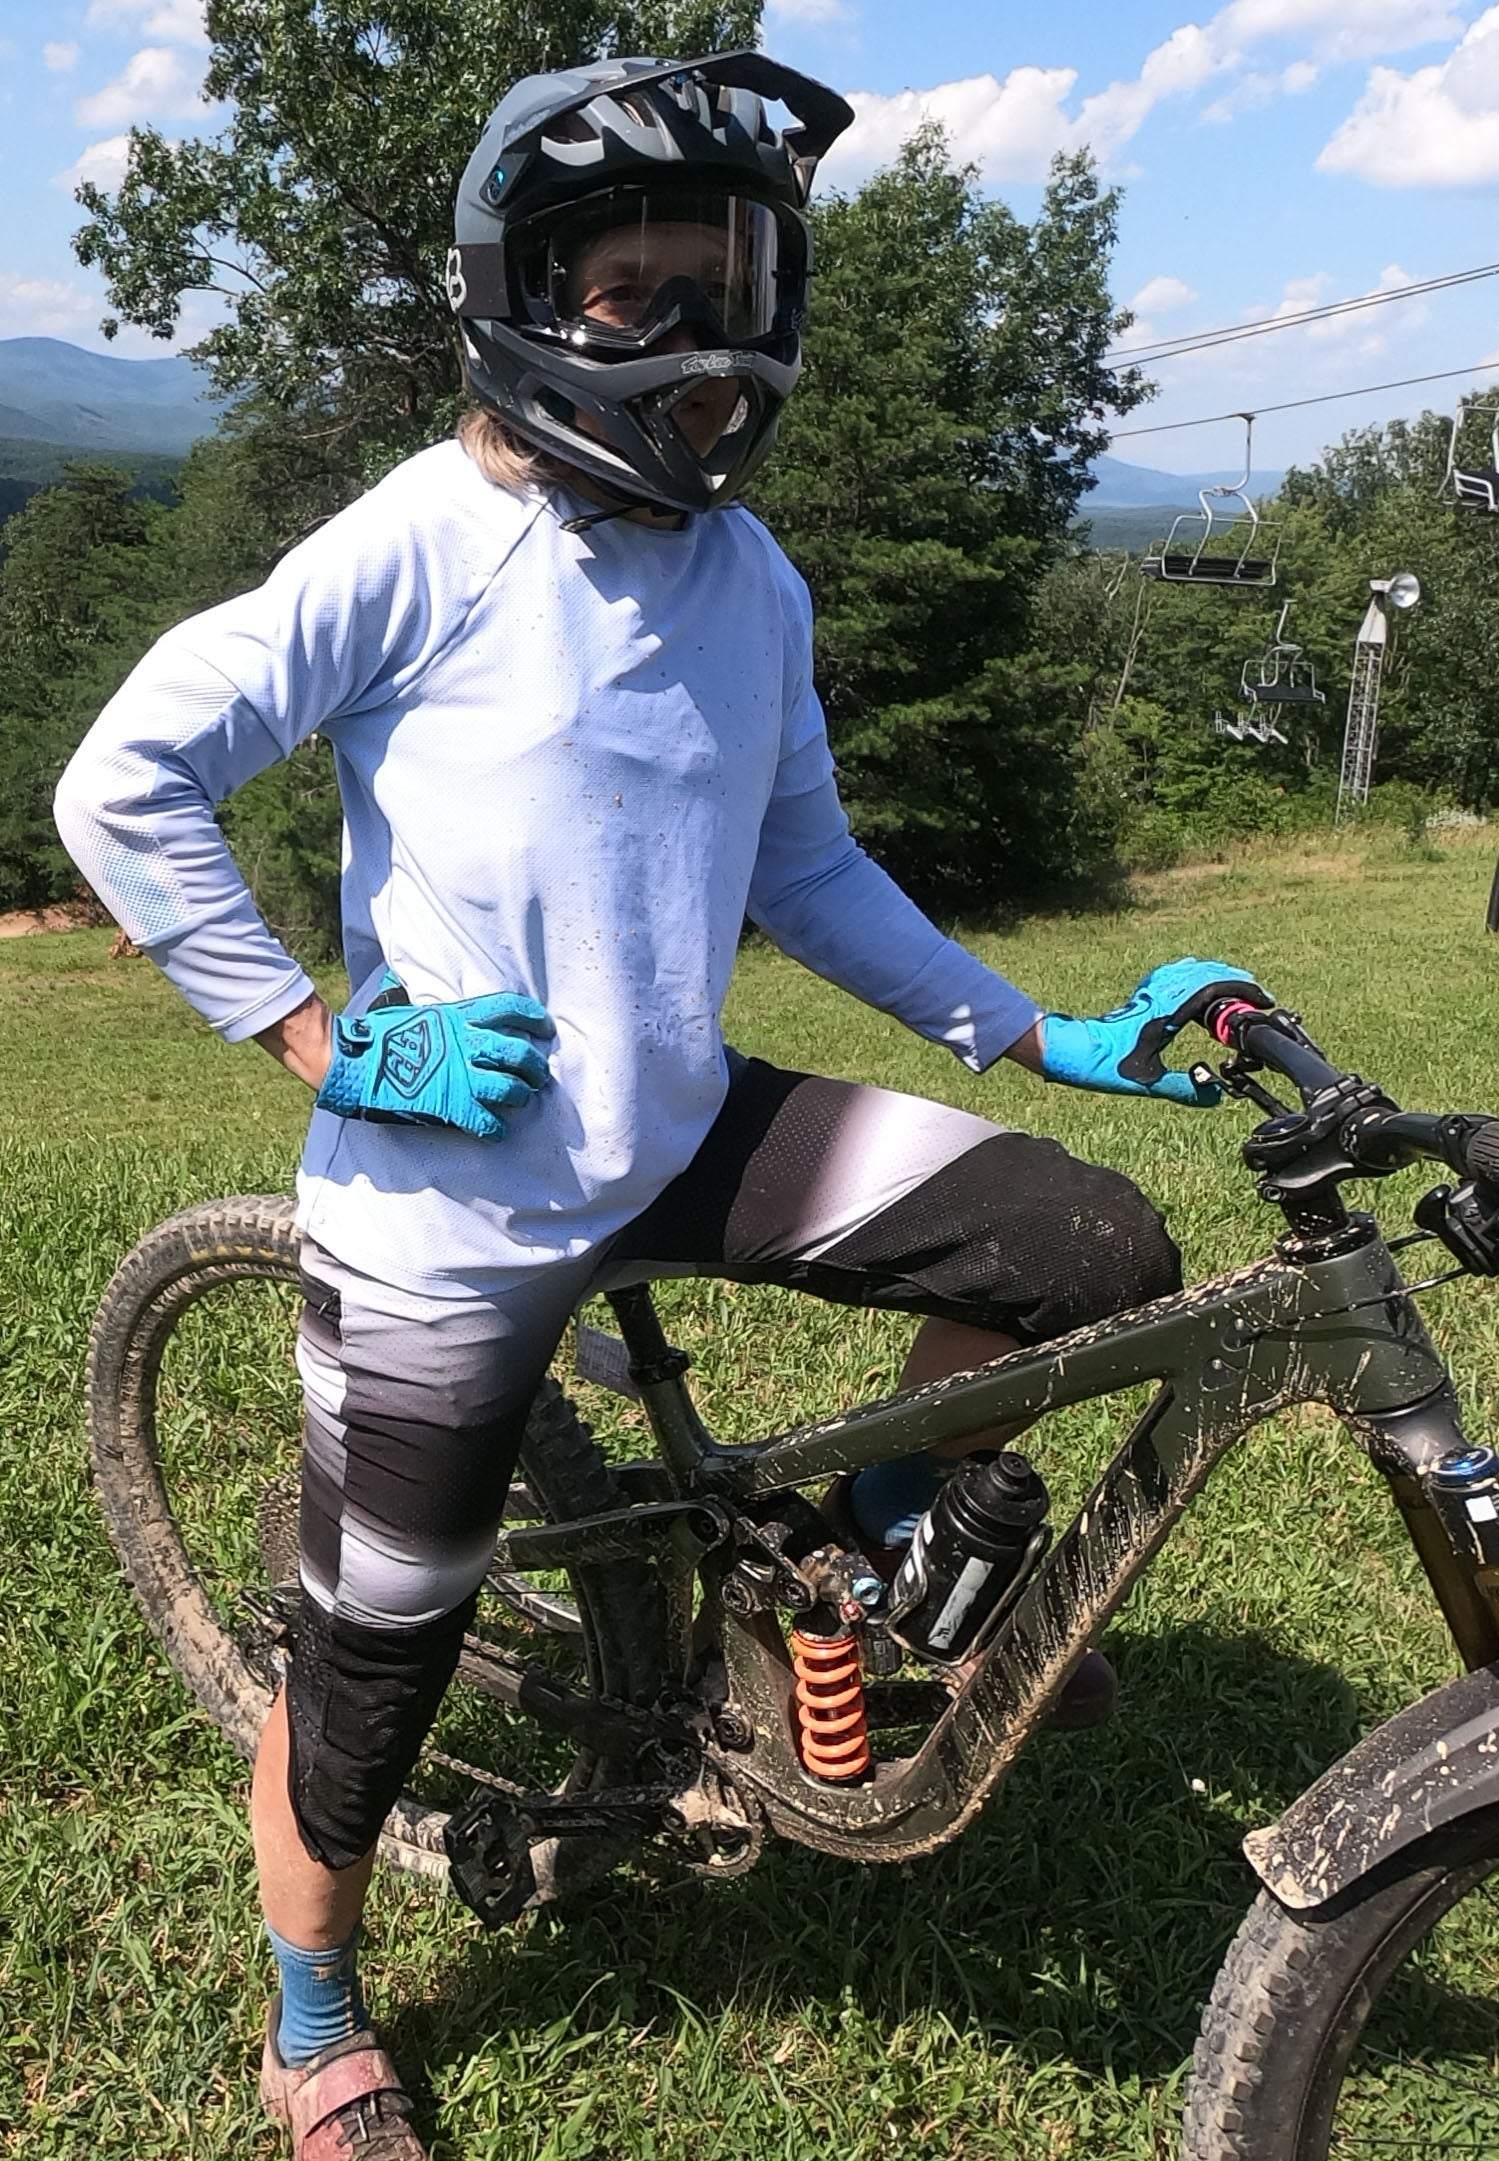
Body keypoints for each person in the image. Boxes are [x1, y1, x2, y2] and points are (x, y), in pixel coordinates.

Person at [54, 52, 1257, 2161]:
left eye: (729, 276)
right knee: (374, 1660)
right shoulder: (421, 545)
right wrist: (323, 1041)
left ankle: (888, 1578)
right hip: (446, 1192)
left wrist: (1034, 1034)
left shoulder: (750, 580)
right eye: (632, 288)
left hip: (679, 1119)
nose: (698, 336)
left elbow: (805, 867)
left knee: (1081, 1243)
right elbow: (118, 783)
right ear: (524, 294)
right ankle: (312, 2018)